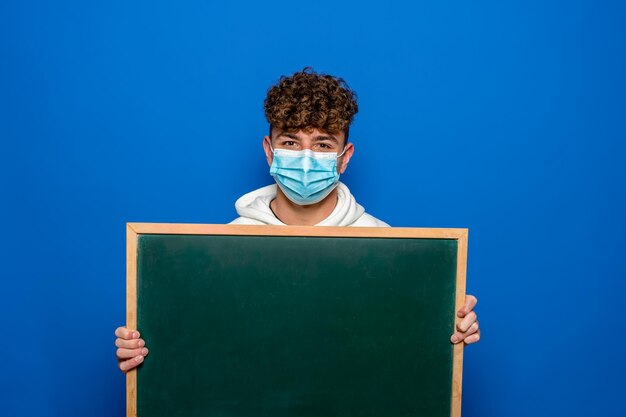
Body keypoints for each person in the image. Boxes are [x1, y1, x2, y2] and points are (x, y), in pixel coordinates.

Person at [115, 68, 480, 372]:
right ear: (269, 150)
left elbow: (402, 357)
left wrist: (447, 327)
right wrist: (147, 352)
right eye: (290, 142)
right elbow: (198, 349)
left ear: (344, 157)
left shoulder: (388, 249)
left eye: (323, 144)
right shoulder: (223, 249)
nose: (305, 158)